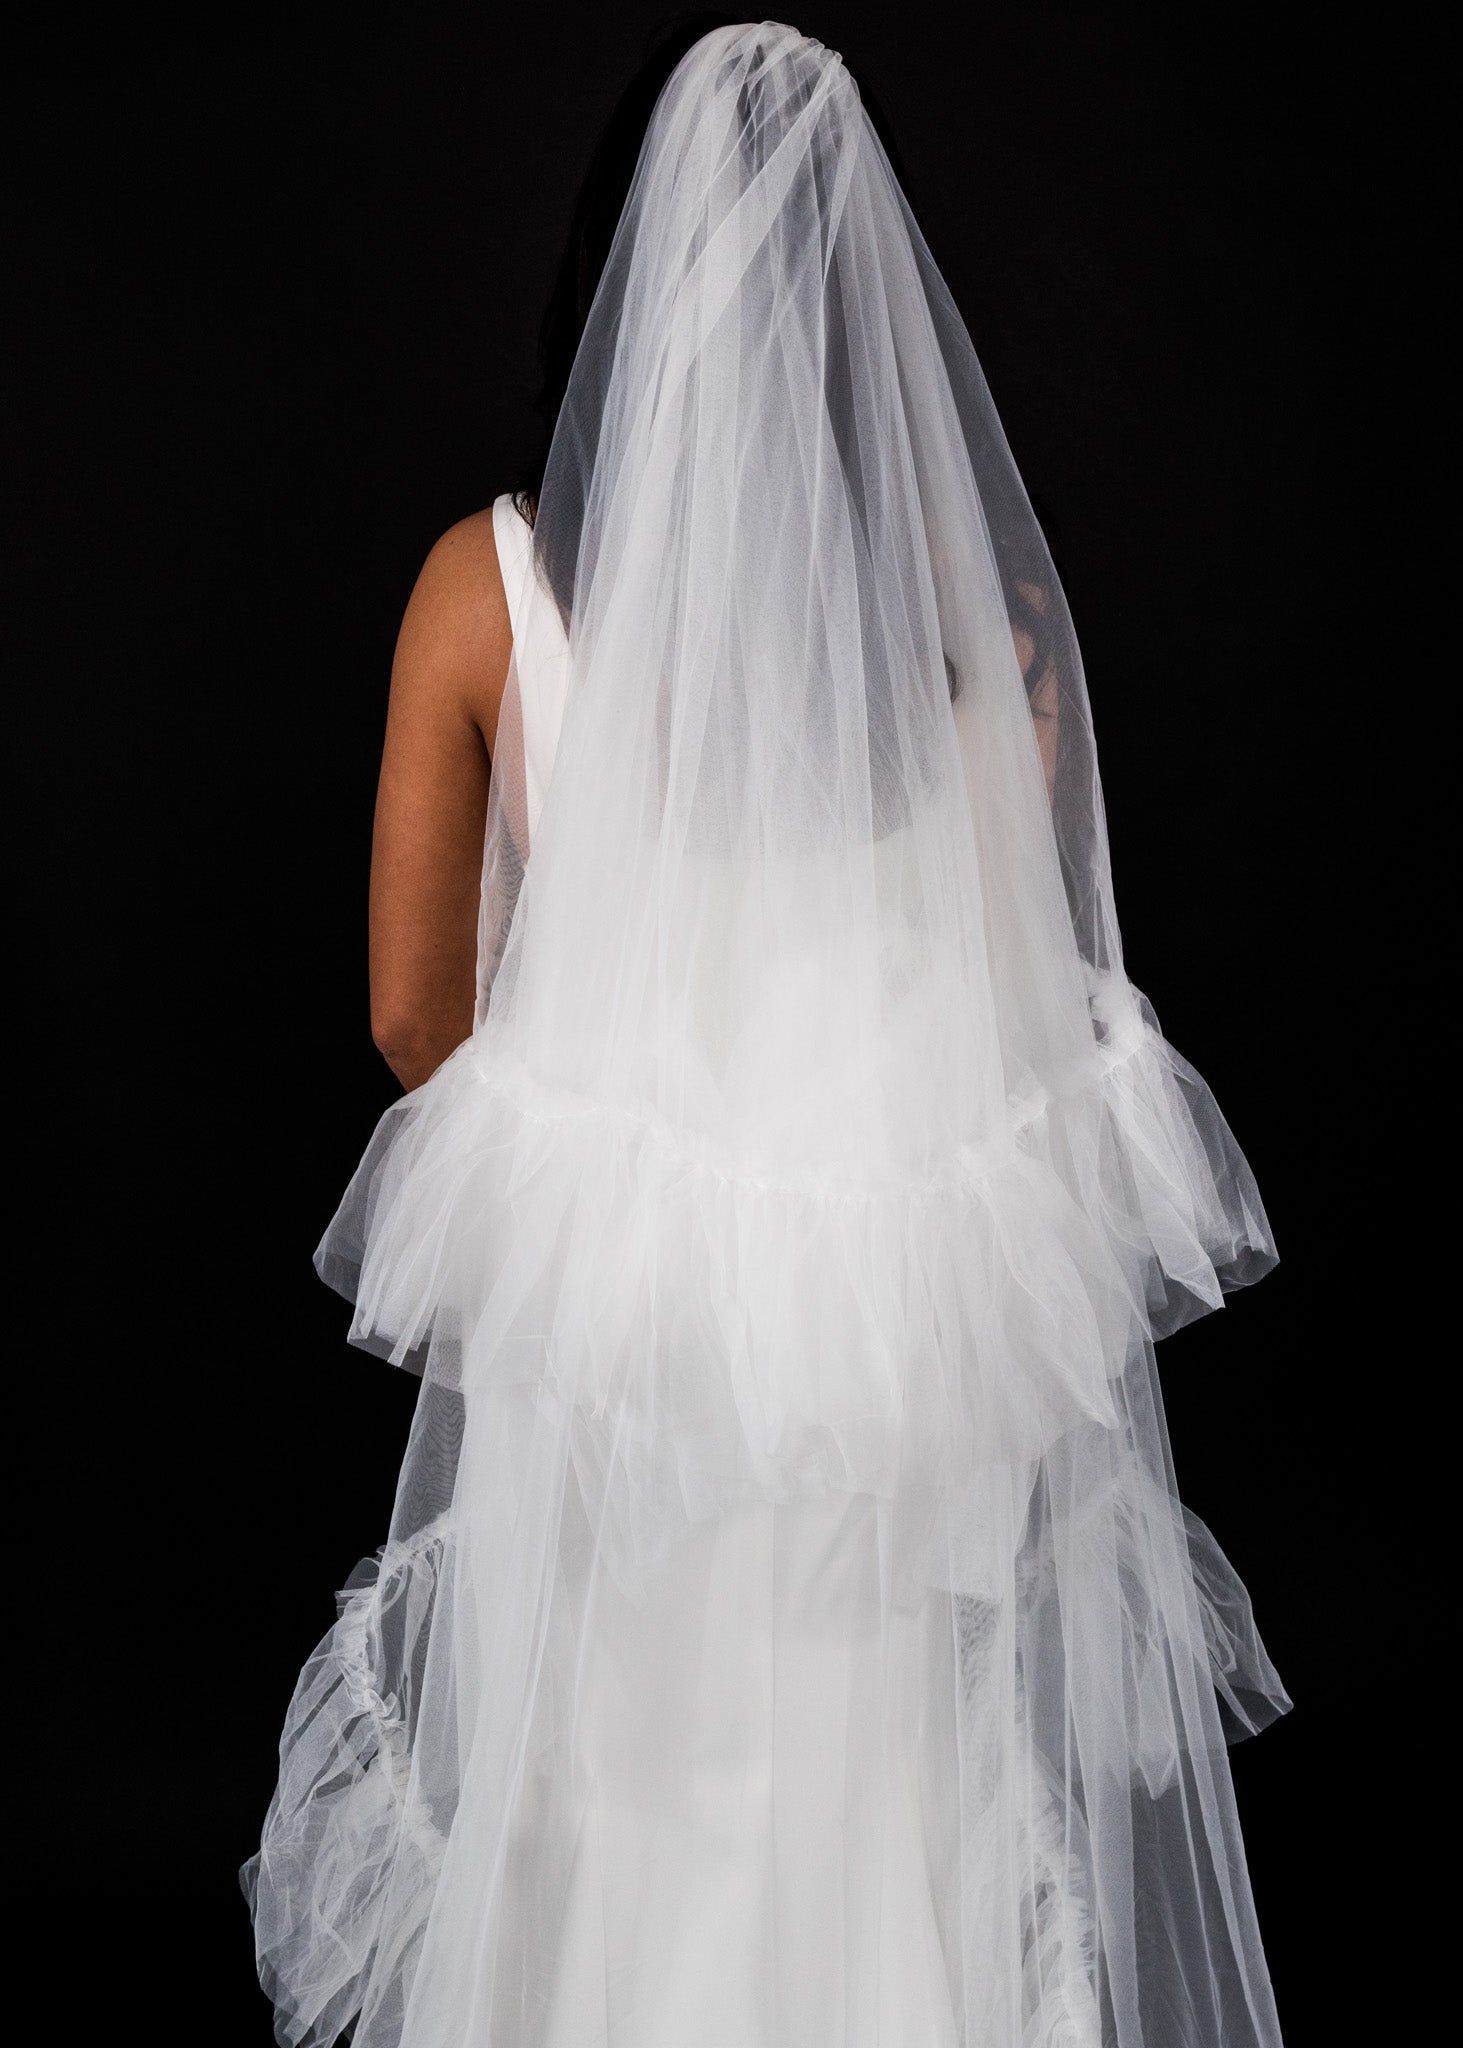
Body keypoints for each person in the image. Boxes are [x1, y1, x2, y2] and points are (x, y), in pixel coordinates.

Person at [245, 24, 1289, 2047]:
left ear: (621, 280)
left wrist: (609, 1182)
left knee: (602, 1804)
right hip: (882, 1384)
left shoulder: (491, 594)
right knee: (886, 1800)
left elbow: (409, 1012)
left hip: (626, 1369)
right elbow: (1021, 1039)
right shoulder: (995, 635)